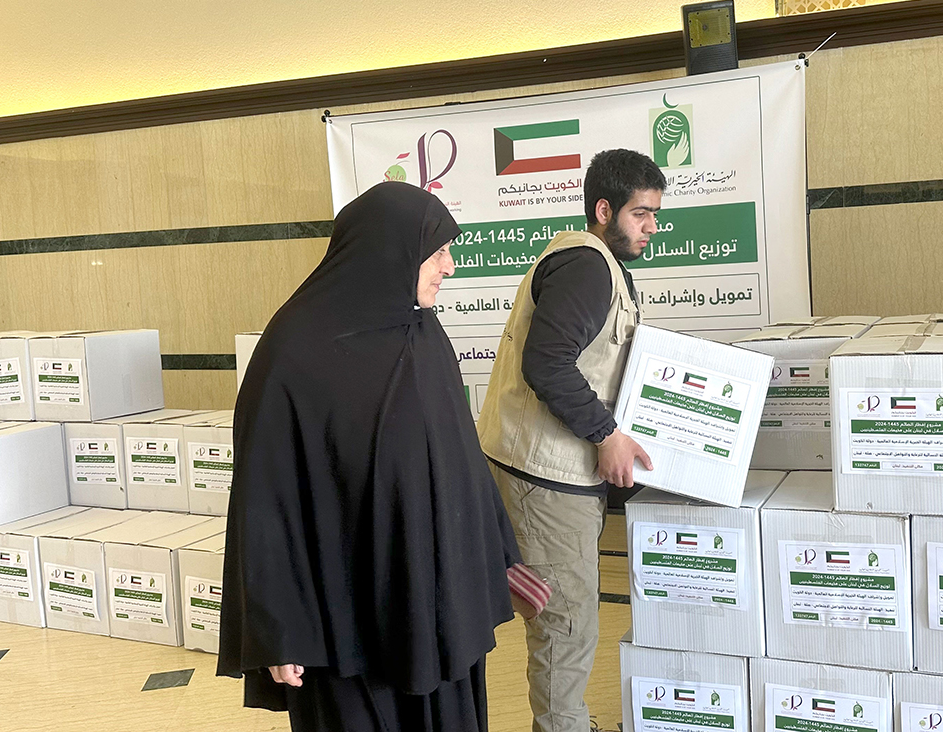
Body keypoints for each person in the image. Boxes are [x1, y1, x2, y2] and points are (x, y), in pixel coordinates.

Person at [218, 181, 523, 732]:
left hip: (437, 604)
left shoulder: (424, 334)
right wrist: (280, 630)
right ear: (392, 249)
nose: (449, 267)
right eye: (437, 252)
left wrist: (499, 553)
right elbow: (265, 502)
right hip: (345, 623)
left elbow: (462, 458)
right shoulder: (293, 351)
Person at [477, 148, 665, 732]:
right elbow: (548, 363)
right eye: (640, 214)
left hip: (553, 474)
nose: (651, 227)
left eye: (655, 215)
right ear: (604, 210)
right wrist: (606, 434)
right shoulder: (587, 266)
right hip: (545, 480)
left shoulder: (596, 265)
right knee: (566, 624)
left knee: (566, 614)